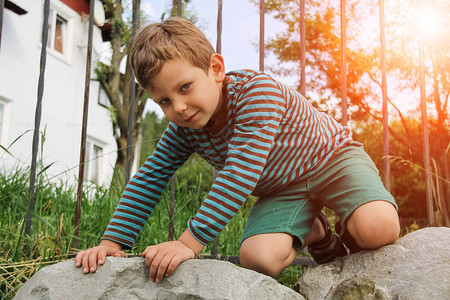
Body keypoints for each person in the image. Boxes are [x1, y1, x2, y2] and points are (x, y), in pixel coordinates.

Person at [75, 17, 400, 282]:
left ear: (216, 69)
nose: (179, 107)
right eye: (164, 101)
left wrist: (188, 243)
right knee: (258, 259)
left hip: (331, 159)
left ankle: (353, 223)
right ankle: (317, 234)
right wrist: (110, 244)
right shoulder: (185, 128)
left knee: (377, 228)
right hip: (280, 189)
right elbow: (149, 178)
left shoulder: (257, 93)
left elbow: (240, 172)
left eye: (185, 87)